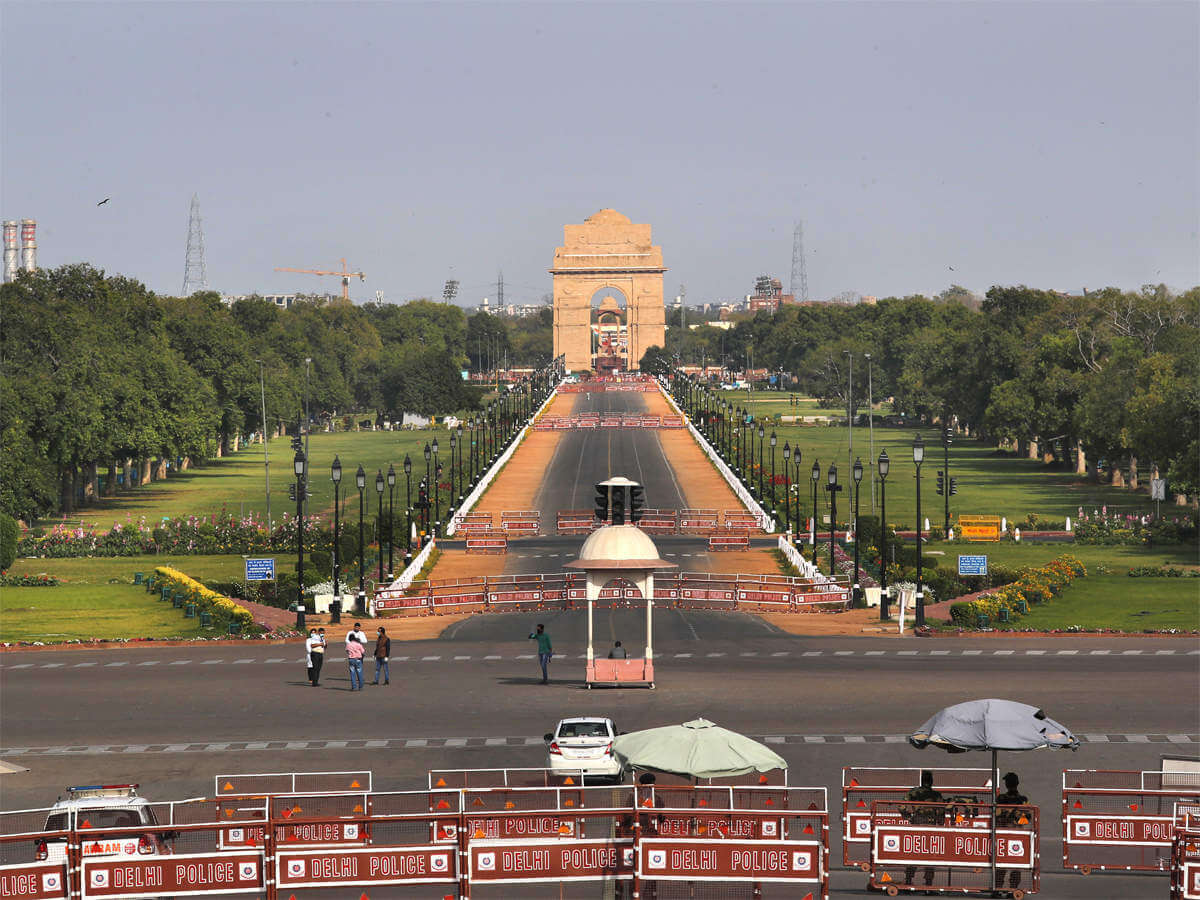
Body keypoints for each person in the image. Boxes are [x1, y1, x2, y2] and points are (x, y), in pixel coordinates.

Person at [901, 770, 945, 888]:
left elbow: (901, 806)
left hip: (917, 823)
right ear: (931, 781)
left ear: (922, 780)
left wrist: (907, 816)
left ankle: (908, 881)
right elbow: (941, 811)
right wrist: (941, 824)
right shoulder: (936, 795)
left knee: (914, 852)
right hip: (931, 825)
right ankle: (928, 884)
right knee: (930, 854)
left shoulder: (913, 792)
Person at [994, 772, 1029, 891]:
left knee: (1001, 863)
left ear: (1007, 784)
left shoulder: (1001, 798)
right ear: (1017, 783)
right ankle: (1013, 889)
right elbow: (1027, 818)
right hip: (1017, 835)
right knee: (1015, 863)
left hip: (1003, 834)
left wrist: (1007, 813)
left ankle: (997, 888)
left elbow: (996, 814)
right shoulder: (1023, 799)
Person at [345, 626, 365, 690]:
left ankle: (354, 687)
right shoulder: (358, 644)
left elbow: (347, 651)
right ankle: (361, 686)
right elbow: (363, 651)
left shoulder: (348, 644)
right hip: (358, 659)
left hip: (351, 659)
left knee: (352, 674)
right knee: (359, 673)